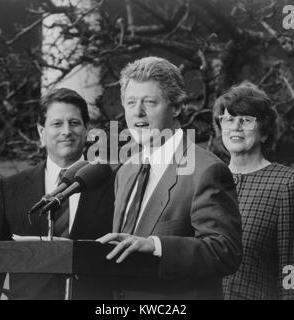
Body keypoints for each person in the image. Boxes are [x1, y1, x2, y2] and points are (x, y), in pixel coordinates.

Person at [97, 56, 242, 300]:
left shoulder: (206, 170)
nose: (137, 112)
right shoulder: (125, 170)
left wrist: (156, 245)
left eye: (149, 102)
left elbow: (225, 252)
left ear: (176, 107)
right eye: (130, 102)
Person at [0, 88, 115, 300]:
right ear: (41, 131)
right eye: (57, 123)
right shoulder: (11, 188)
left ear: (87, 129)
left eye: (74, 123)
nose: (66, 131)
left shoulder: (113, 184)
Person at [213, 81, 294, 300]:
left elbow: (292, 270)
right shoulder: (208, 180)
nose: (236, 126)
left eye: (246, 120)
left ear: (265, 131)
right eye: (229, 119)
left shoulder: (287, 184)